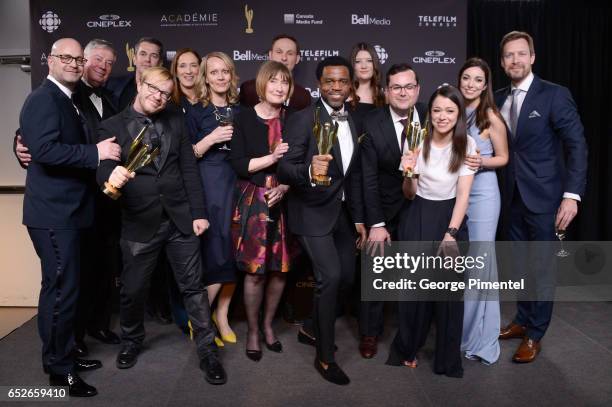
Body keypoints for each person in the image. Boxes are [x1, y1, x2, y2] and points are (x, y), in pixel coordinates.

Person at [96, 66, 227, 384]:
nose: (160, 97)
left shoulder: (176, 120)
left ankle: (208, 352)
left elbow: (188, 169)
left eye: (166, 94)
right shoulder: (111, 125)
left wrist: (198, 213)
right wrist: (109, 176)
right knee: (133, 289)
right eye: (154, 90)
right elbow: (104, 165)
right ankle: (131, 340)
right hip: (139, 222)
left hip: (180, 219)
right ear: (139, 83)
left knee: (194, 289)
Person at [19, 37, 122, 397]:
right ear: (49, 60)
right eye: (67, 58)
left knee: (69, 289)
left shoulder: (70, 99)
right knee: (61, 291)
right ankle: (58, 370)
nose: (75, 64)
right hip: (53, 214)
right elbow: (43, 150)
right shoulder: (43, 98)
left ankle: (63, 356)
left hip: (73, 212)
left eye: (79, 59)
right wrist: (94, 153)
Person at [495, 31, 587, 363]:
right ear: (502, 62)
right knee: (519, 264)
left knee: (543, 266)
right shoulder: (497, 97)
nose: (515, 60)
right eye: (509, 55)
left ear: (532, 57)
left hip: (546, 198)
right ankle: (522, 320)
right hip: (510, 198)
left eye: (521, 54)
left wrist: (571, 195)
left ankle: (535, 334)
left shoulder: (554, 95)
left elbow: (576, 145)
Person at [278, 56, 367, 385]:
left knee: (345, 278)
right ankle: (326, 357)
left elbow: (352, 175)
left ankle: (310, 327)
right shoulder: (303, 119)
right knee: (329, 277)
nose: (336, 87)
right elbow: (285, 168)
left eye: (342, 81)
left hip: (341, 213)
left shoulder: (354, 119)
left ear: (349, 85)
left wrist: (358, 217)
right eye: (329, 81)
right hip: (311, 211)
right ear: (319, 84)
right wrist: (309, 172)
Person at [386, 85, 476, 378]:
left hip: (450, 217)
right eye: (436, 110)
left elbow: (463, 195)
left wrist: (451, 233)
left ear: (458, 114)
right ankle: (408, 349)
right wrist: (408, 172)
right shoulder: (416, 141)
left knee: (449, 295)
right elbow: (409, 194)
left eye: (450, 110)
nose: (442, 116)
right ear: (430, 113)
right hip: (418, 214)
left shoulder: (467, 145)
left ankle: (447, 361)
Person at [359, 63, 426, 359]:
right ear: (386, 92)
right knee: (376, 271)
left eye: (409, 86)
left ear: (418, 89)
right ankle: (370, 333)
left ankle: (414, 332)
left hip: (423, 207)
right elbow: (368, 178)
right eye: (396, 87)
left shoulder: (432, 115)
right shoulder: (372, 123)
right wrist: (376, 223)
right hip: (384, 208)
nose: (403, 92)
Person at [231, 61, 296, 361]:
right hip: (254, 199)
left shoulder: (294, 119)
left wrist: (284, 187)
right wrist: (271, 157)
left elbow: (300, 166)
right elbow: (240, 164)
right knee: (255, 271)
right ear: (262, 85)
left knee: (280, 269)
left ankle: (270, 325)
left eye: (284, 82)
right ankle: (253, 330)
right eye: (273, 82)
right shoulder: (244, 118)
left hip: (285, 200)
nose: (279, 87)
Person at [457, 57, 508, 365]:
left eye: (478, 79)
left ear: (486, 84)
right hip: (456, 192)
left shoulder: (490, 115)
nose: (471, 84)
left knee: (480, 260)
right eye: (466, 78)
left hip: (484, 192)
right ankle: (463, 328)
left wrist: (481, 162)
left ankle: (476, 335)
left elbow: (503, 157)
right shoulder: (453, 110)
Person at [187, 52, 240, 346]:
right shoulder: (195, 112)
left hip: (238, 185)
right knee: (216, 252)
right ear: (205, 77)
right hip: (210, 185)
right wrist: (211, 139)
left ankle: (222, 317)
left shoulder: (241, 111)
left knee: (235, 252)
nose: (220, 77)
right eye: (214, 72)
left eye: (225, 72)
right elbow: (187, 156)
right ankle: (201, 321)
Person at [240, 34, 311, 110]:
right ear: (270, 55)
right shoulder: (248, 89)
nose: (284, 58)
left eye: (290, 53)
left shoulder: (303, 97)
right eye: (279, 52)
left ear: (297, 59)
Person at [106, 37, 163, 111]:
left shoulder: (165, 92)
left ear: (160, 63)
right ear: (134, 59)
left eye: (154, 56)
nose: (147, 59)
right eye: (143, 54)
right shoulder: (112, 85)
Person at [349, 42, 385, 107]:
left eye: (369, 61)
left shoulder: (383, 97)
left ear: (375, 64)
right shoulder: (345, 95)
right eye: (358, 61)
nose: (364, 66)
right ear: (353, 65)